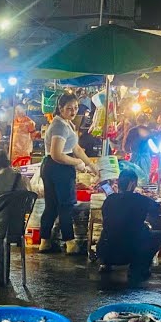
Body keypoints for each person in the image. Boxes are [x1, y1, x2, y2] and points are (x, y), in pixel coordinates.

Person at [39, 94, 97, 255]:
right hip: (58, 168)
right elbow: (57, 154)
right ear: (61, 108)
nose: (73, 111)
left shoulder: (67, 124)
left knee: (53, 205)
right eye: (69, 108)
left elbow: (76, 149)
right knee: (65, 205)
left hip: (53, 167)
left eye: (76, 108)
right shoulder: (59, 127)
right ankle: (70, 243)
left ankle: (45, 242)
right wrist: (76, 163)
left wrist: (91, 165)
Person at [96, 168, 161, 282]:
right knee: (159, 234)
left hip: (104, 252)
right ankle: (138, 268)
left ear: (119, 183)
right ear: (133, 183)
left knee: (115, 231)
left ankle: (106, 264)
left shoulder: (110, 199)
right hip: (127, 254)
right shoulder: (141, 200)